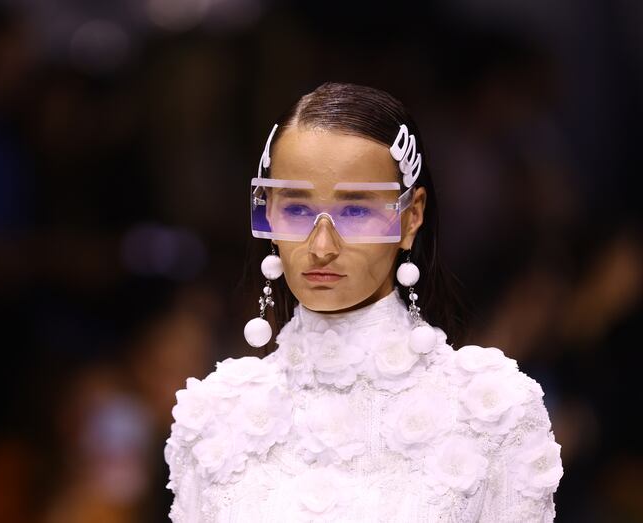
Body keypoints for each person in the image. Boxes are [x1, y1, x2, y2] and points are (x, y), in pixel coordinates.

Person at [164, 83, 563, 522]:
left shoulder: (490, 410)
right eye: (296, 210)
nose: (321, 246)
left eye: (355, 212)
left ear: (411, 217)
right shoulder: (213, 415)